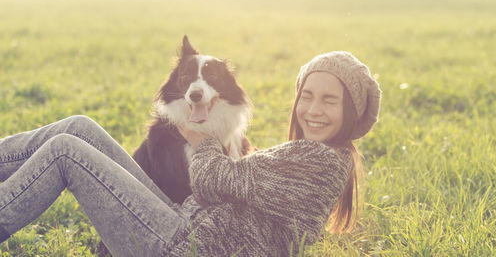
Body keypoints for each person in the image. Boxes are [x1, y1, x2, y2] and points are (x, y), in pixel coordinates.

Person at [0, 51, 381, 256]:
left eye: (329, 101)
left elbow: (217, 179)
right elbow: (241, 187)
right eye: (307, 96)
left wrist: (200, 136)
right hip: (182, 228)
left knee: (67, 152)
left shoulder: (324, 164)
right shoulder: (305, 154)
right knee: (79, 128)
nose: (313, 110)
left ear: (351, 112)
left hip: (182, 247)